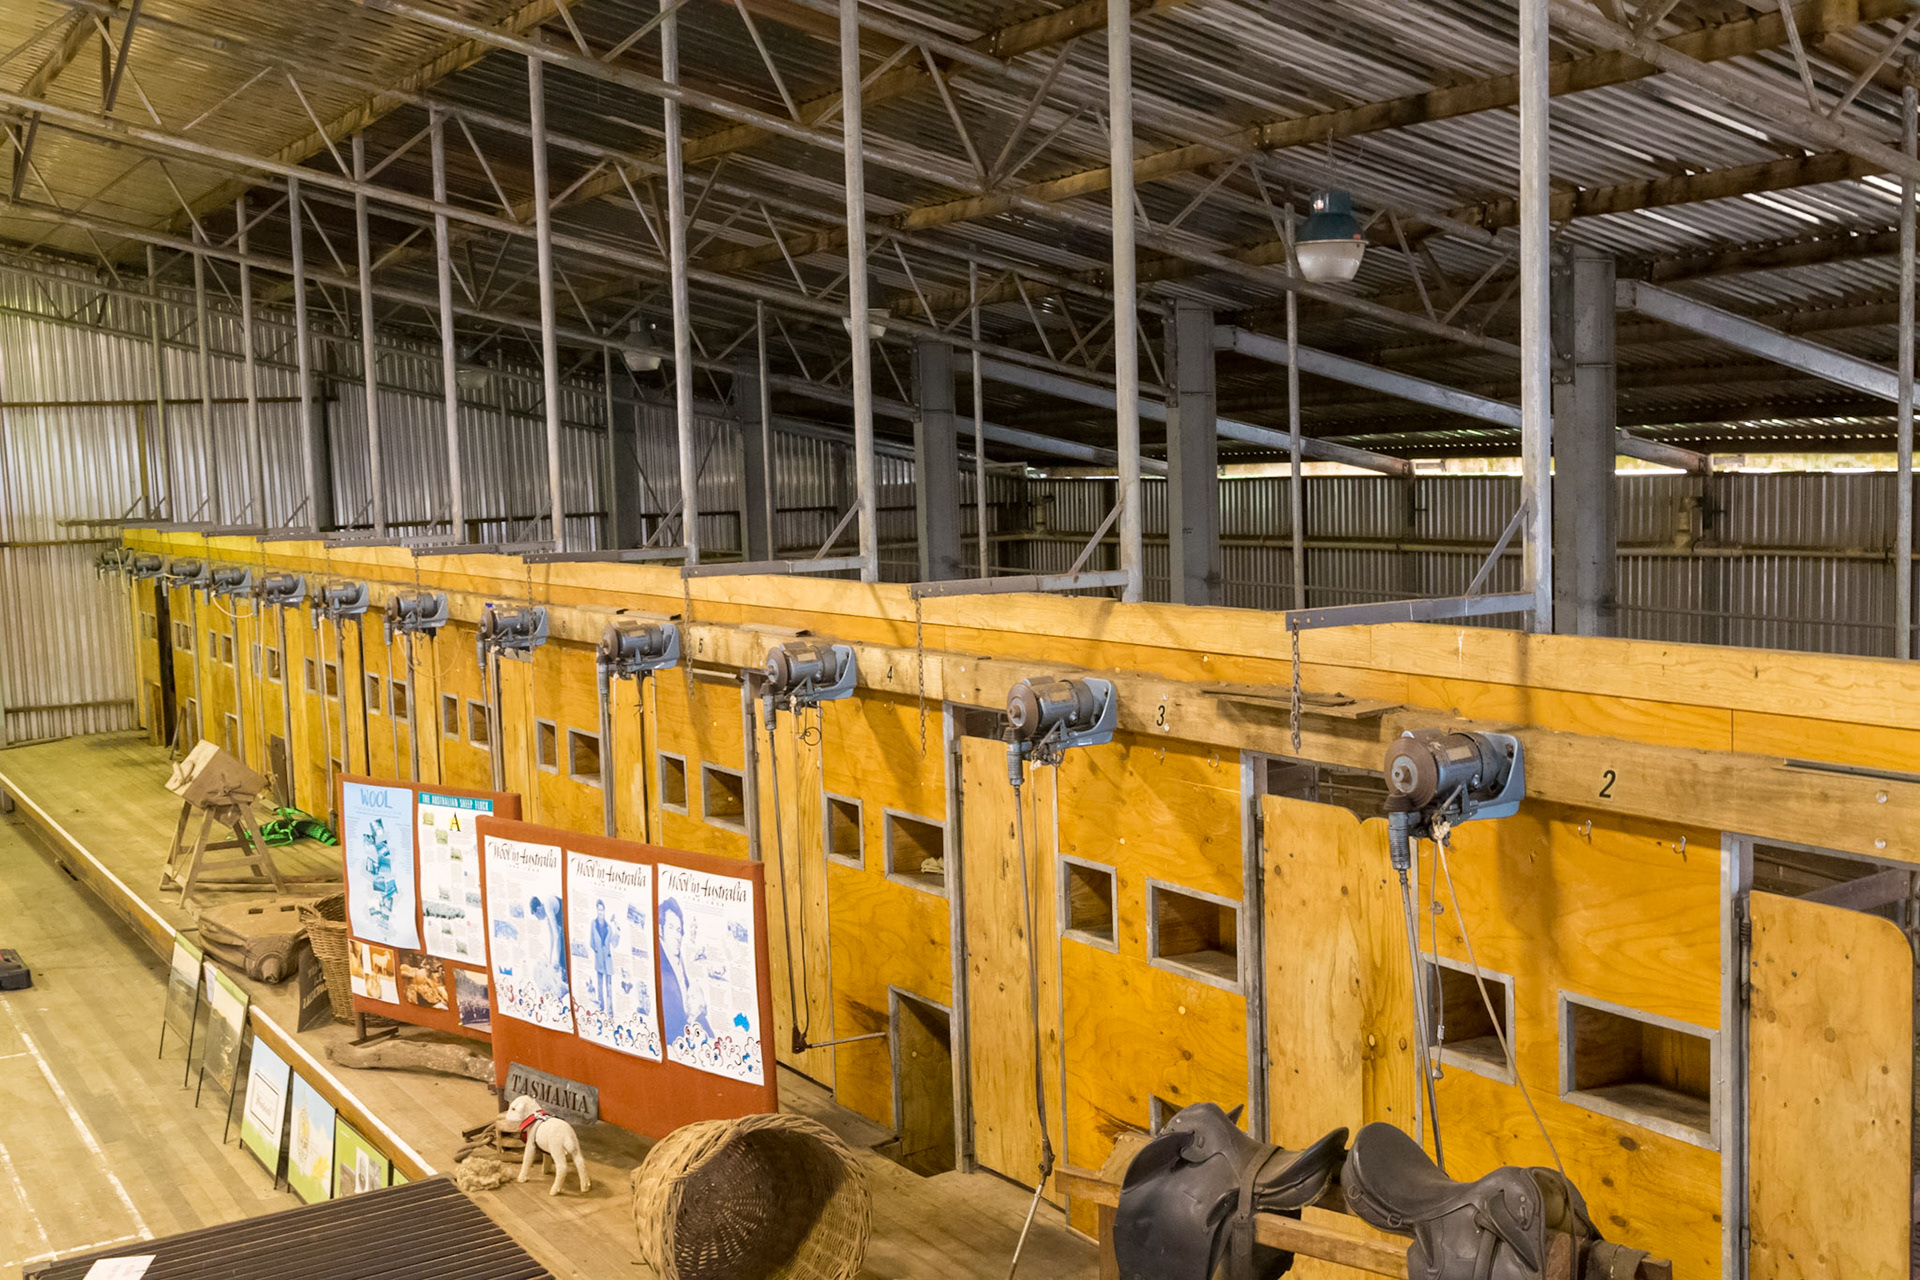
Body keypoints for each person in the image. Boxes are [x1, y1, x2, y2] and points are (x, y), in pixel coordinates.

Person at [659, 898, 711, 1045]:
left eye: (679, 930)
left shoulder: (678, 960)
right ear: (660, 929)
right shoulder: (661, 962)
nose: (677, 936)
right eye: (670, 927)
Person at [590, 899, 615, 1014]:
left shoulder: (609, 926)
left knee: (609, 986)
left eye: (602, 910)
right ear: (596, 910)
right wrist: (597, 950)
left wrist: (617, 931)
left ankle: (610, 1011)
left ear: (604, 911)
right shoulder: (593, 924)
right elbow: (591, 941)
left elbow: (614, 943)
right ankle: (601, 1006)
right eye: (599, 909)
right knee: (600, 985)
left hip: (608, 959)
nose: (600, 912)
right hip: (599, 959)